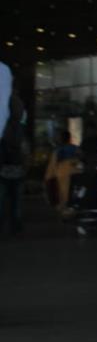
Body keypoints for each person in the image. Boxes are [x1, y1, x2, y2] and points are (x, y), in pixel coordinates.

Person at [0, 88, 28, 236]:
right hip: (17, 168)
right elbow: (24, 150)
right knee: (16, 201)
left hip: (4, 169)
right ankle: (15, 226)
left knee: (3, 199)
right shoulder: (20, 129)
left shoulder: (3, 128)